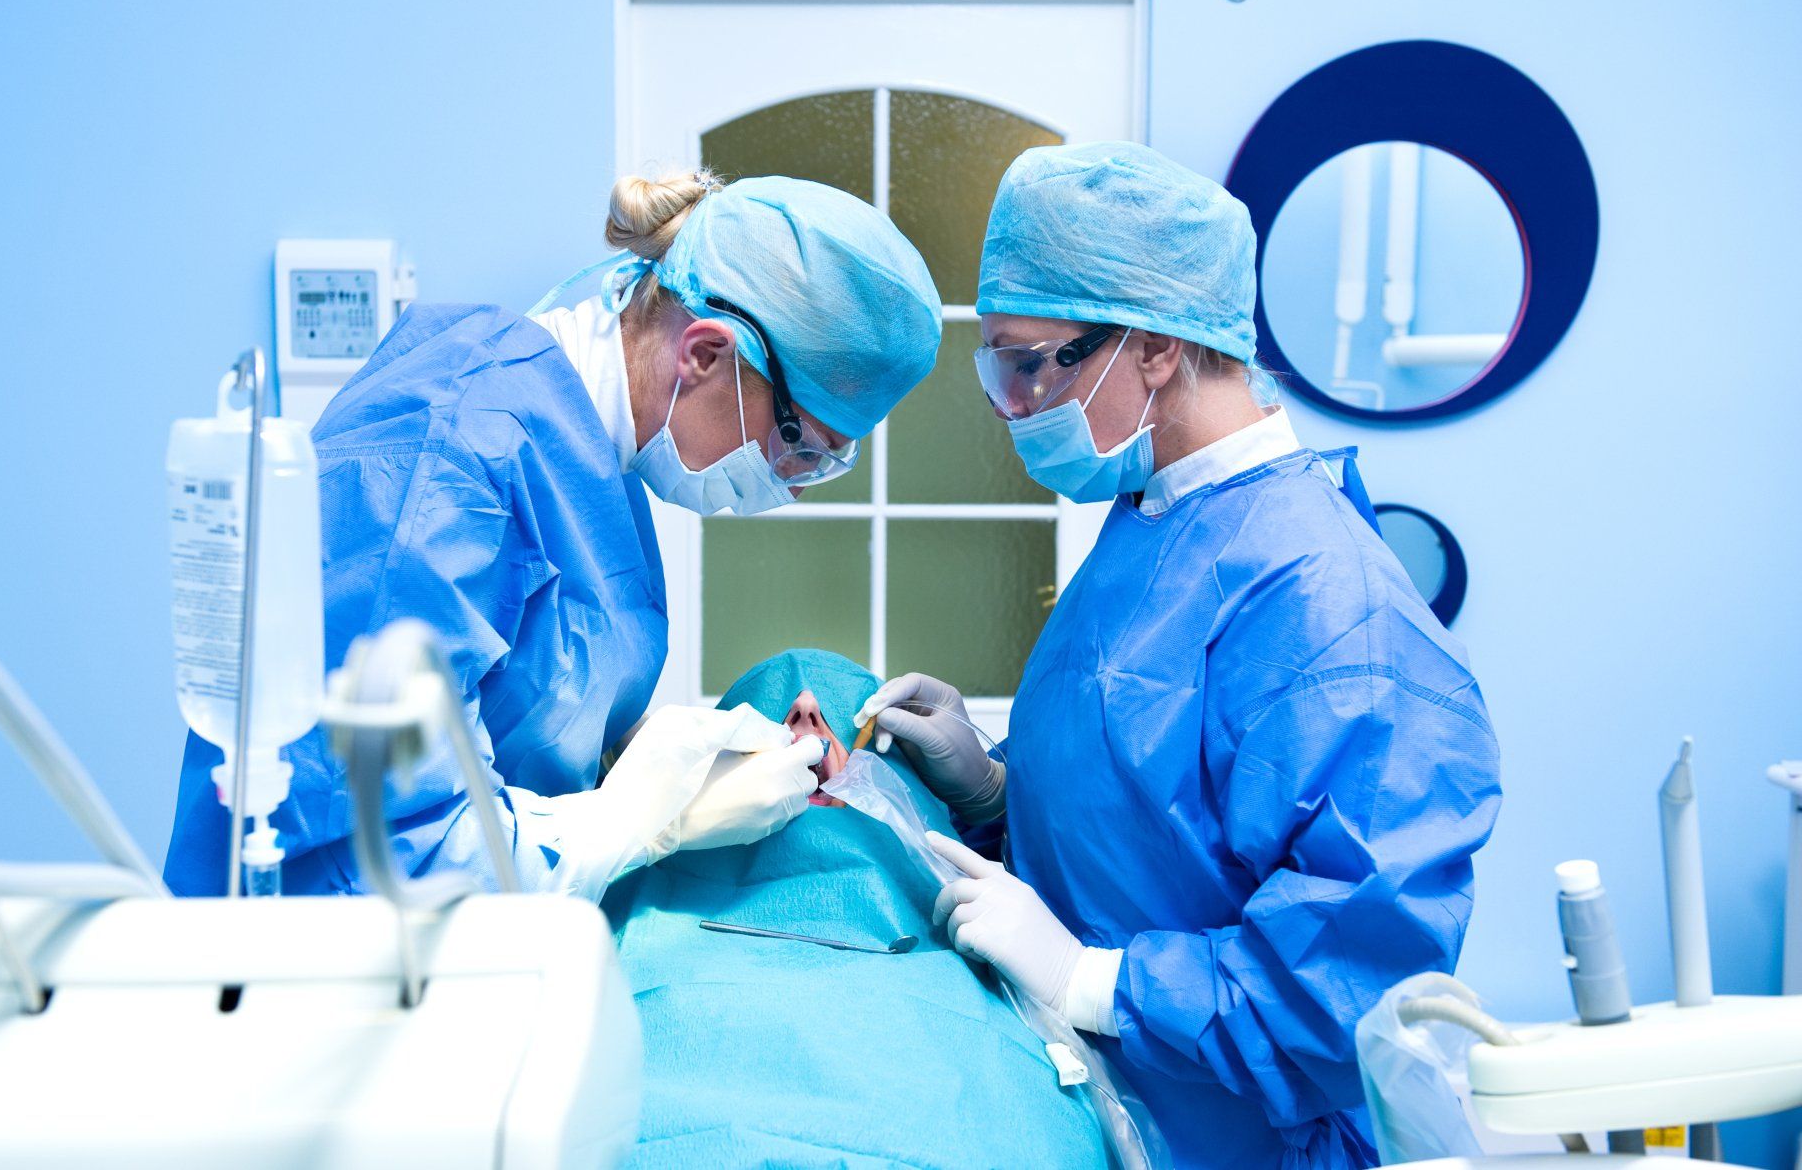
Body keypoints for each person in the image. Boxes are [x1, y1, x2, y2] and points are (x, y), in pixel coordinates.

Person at [854, 142, 1502, 1169]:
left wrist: (1090, 982)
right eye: (1000, 368)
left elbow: (1354, 994)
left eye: (1033, 363)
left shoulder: (1333, 614)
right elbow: (1155, 829)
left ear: (1153, 350)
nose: (1013, 404)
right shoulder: (1153, 524)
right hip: (1101, 1107)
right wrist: (991, 784)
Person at [164, 171, 942, 896]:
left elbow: (532, 709)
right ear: (706, 353)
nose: (797, 480)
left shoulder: (593, 462)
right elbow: (366, 853)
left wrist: (655, 755)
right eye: (798, 441)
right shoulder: (449, 457)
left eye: (827, 461)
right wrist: (650, 819)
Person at [603, 649, 1115, 1169]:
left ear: (910, 791)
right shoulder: (616, 923)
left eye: (845, 714)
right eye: (765, 712)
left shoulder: (999, 941)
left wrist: (992, 795)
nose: (804, 706)